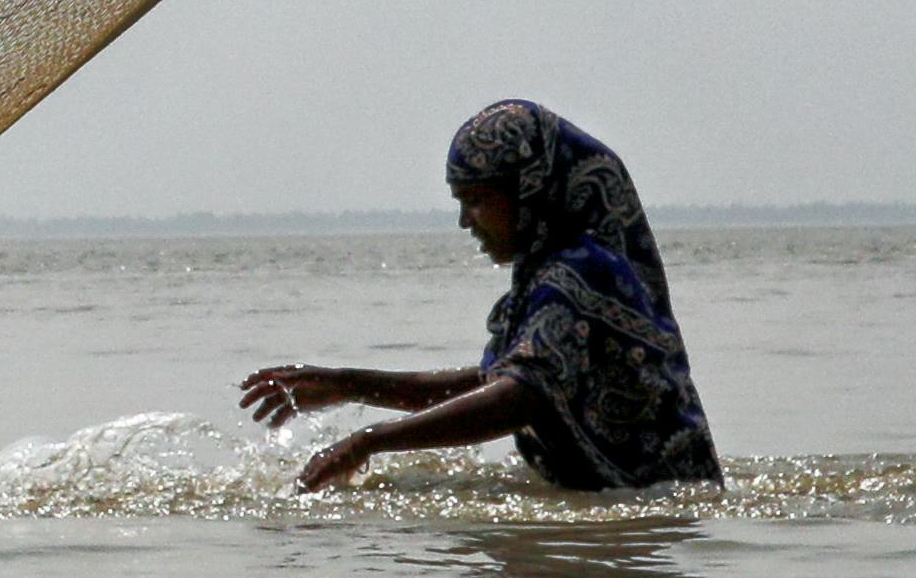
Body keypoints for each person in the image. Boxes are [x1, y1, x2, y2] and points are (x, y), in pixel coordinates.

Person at [238, 99, 722, 494]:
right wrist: (351, 384)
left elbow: (519, 398)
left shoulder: (584, 274)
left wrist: (369, 442)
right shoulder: (548, 277)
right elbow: (498, 384)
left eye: (476, 200)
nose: (466, 221)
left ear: (529, 190)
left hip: (659, 516)